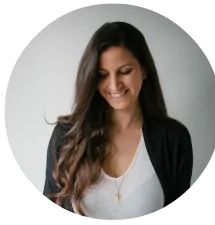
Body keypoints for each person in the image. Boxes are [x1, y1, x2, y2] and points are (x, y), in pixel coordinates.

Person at [43, 21, 193, 220]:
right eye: (102, 75)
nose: (114, 85)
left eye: (125, 71)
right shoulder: (66, 136)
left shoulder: (174, 139)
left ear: (144, 69)